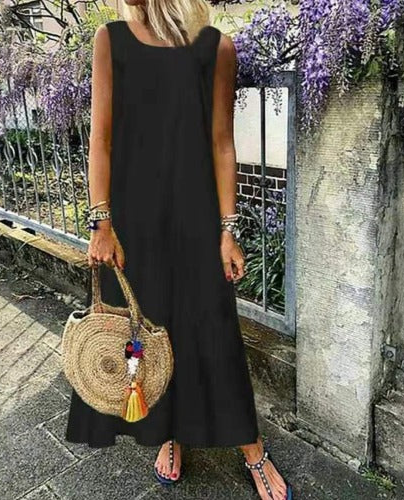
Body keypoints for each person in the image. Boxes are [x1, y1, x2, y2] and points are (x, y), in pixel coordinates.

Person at [64, 1, 292, 499]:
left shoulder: (216, 48)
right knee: (148, 331)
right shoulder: (110, 41)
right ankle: (169, 433)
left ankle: (252, 450)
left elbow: (222, 144)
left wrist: (227, 231)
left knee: (214, 330)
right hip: (132, 222)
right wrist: (101, 223)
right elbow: (100, 140)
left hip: (196, 219)